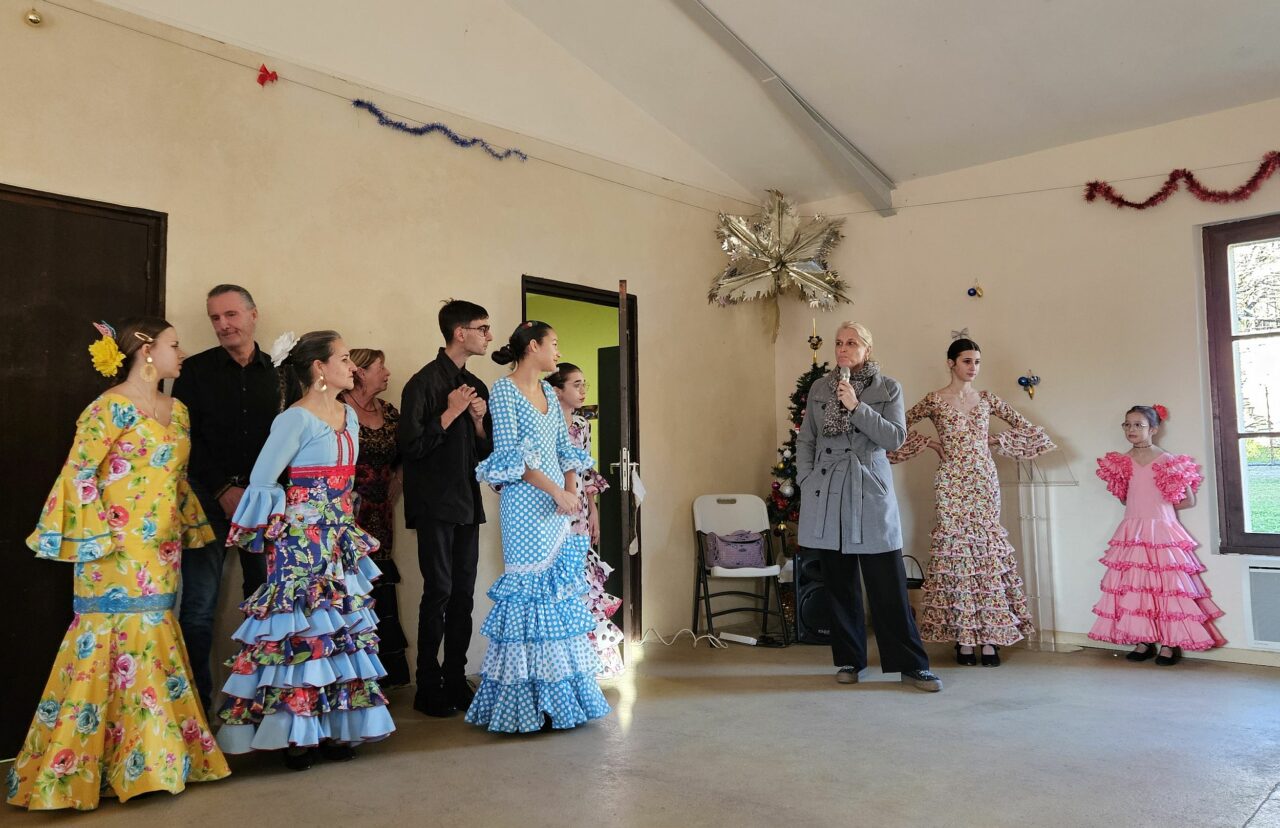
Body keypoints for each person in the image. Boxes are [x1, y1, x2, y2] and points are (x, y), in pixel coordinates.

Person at [8, 319, 230, 810]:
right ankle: (82, 770)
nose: (182, 352)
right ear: (146, 351)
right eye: (174, 344)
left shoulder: (180, 411)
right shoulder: (106, 408)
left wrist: (184, 528)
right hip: (112, 550)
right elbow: (78, 474)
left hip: (161, 548)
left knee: (156, 635)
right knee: (113, 644)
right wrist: (93, 536)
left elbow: (176, 479)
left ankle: (155, 763)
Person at [216, 331, 394, 770]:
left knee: (337, 626)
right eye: (345, 358)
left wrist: (344, 509)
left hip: (339, 534)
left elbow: (347, 478)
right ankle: (295, 733)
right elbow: (262, 479)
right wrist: (287, 518)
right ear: (320, 367)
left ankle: (333, 728)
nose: (352, 367)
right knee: (300, 627)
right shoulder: (294, 419)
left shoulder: (347, 415)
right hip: (300, 538)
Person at [466, 322, 612, 732]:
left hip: (557, 506)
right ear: (533, 347)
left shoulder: (549, 391)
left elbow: (565, 448)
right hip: (525, 507)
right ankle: (527, 703)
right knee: (530, 595)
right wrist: (554, 492)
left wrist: (570, 492)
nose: (557, 350)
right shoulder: (504, 390)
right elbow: (511, 456)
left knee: (557, 593)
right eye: (554, 343)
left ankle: (559, 701)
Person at [889, 336, 1055, 667]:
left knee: (986, 555)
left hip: (982, 480)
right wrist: (927, 443)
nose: (973, 368)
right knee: (957, 554)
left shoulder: (987, 399)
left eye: (977, 362)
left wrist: (995, 440)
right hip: (951, 481)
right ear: (951, 363)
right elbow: (896, 427)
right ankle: (964, 639)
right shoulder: (935, 401)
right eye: (967, 361)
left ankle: (990, 639)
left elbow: (1028, 429)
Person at [795, 322, 943, 692]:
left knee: (887, 585)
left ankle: (912, 665)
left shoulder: (888, 388)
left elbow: (894, 438)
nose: (843, 349)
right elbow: (807, 441)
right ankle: (849, 659)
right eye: (839, 343)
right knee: (839, 584)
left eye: (852, 343)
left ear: (868, 349)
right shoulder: (819, 389)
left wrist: (856, 407)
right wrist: (806, 480)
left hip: (869, 490)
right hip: (827, 492)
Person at [173, 284, 277, 712]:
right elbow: (184, 439)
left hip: (265, 500)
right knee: (198, 607)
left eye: (231, 315)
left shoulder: (281, 372)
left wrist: (260, 492)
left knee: (266, 604)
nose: (223, 325)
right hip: (206, 500)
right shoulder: (193, 371)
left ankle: (261, 703)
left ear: (254, 315)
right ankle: (196, 711)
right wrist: (222, 488)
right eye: (215, 318)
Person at [399, 300, 493, 716]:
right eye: (482, 328)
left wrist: (476, 421)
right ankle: (427, 685)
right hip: (434, 504)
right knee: (437, 592)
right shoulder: (421, 384)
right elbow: (411, 448)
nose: (489, 336)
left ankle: (457, 679)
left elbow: (488, 453)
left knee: (464, 595)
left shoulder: (478, 386)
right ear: (460, 332)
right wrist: (452, 411)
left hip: (468, 502)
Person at [1090, 405, 1225, 665]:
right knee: (1137, 586)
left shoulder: (1167, 461)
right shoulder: (1121, 462)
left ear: (1153, 429)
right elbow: (1124, 498)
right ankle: (1144, 640)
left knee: (1168, 587)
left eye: (1138, 425)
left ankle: (1169, 643)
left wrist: (1159, 508)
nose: (1131, 429)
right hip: (1133, 530)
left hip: (1162, 530)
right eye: (1127, 424)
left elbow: (1187, 499)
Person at [548, 362, 624, 678]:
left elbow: (585, 471)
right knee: (557, 583)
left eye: (584, 384)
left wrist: (593, 510)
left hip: (579, 512)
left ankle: (591, 659)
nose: (583, 391)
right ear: (557, 390)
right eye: (576, 384)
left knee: (583, 581)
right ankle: (561, 660)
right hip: (552, 513)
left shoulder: (582, 424)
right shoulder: (546, 424)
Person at [339, 348, 410, 687]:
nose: (387, 373)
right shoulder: (338, 409)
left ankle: (384, 673)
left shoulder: (390, 413)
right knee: (351, 580)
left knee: (380, 579)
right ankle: (353, 674)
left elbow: (406, 452)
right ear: (361, 372)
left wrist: (397, 476)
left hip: (382, 510)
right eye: (381, 367)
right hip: (349, 509)